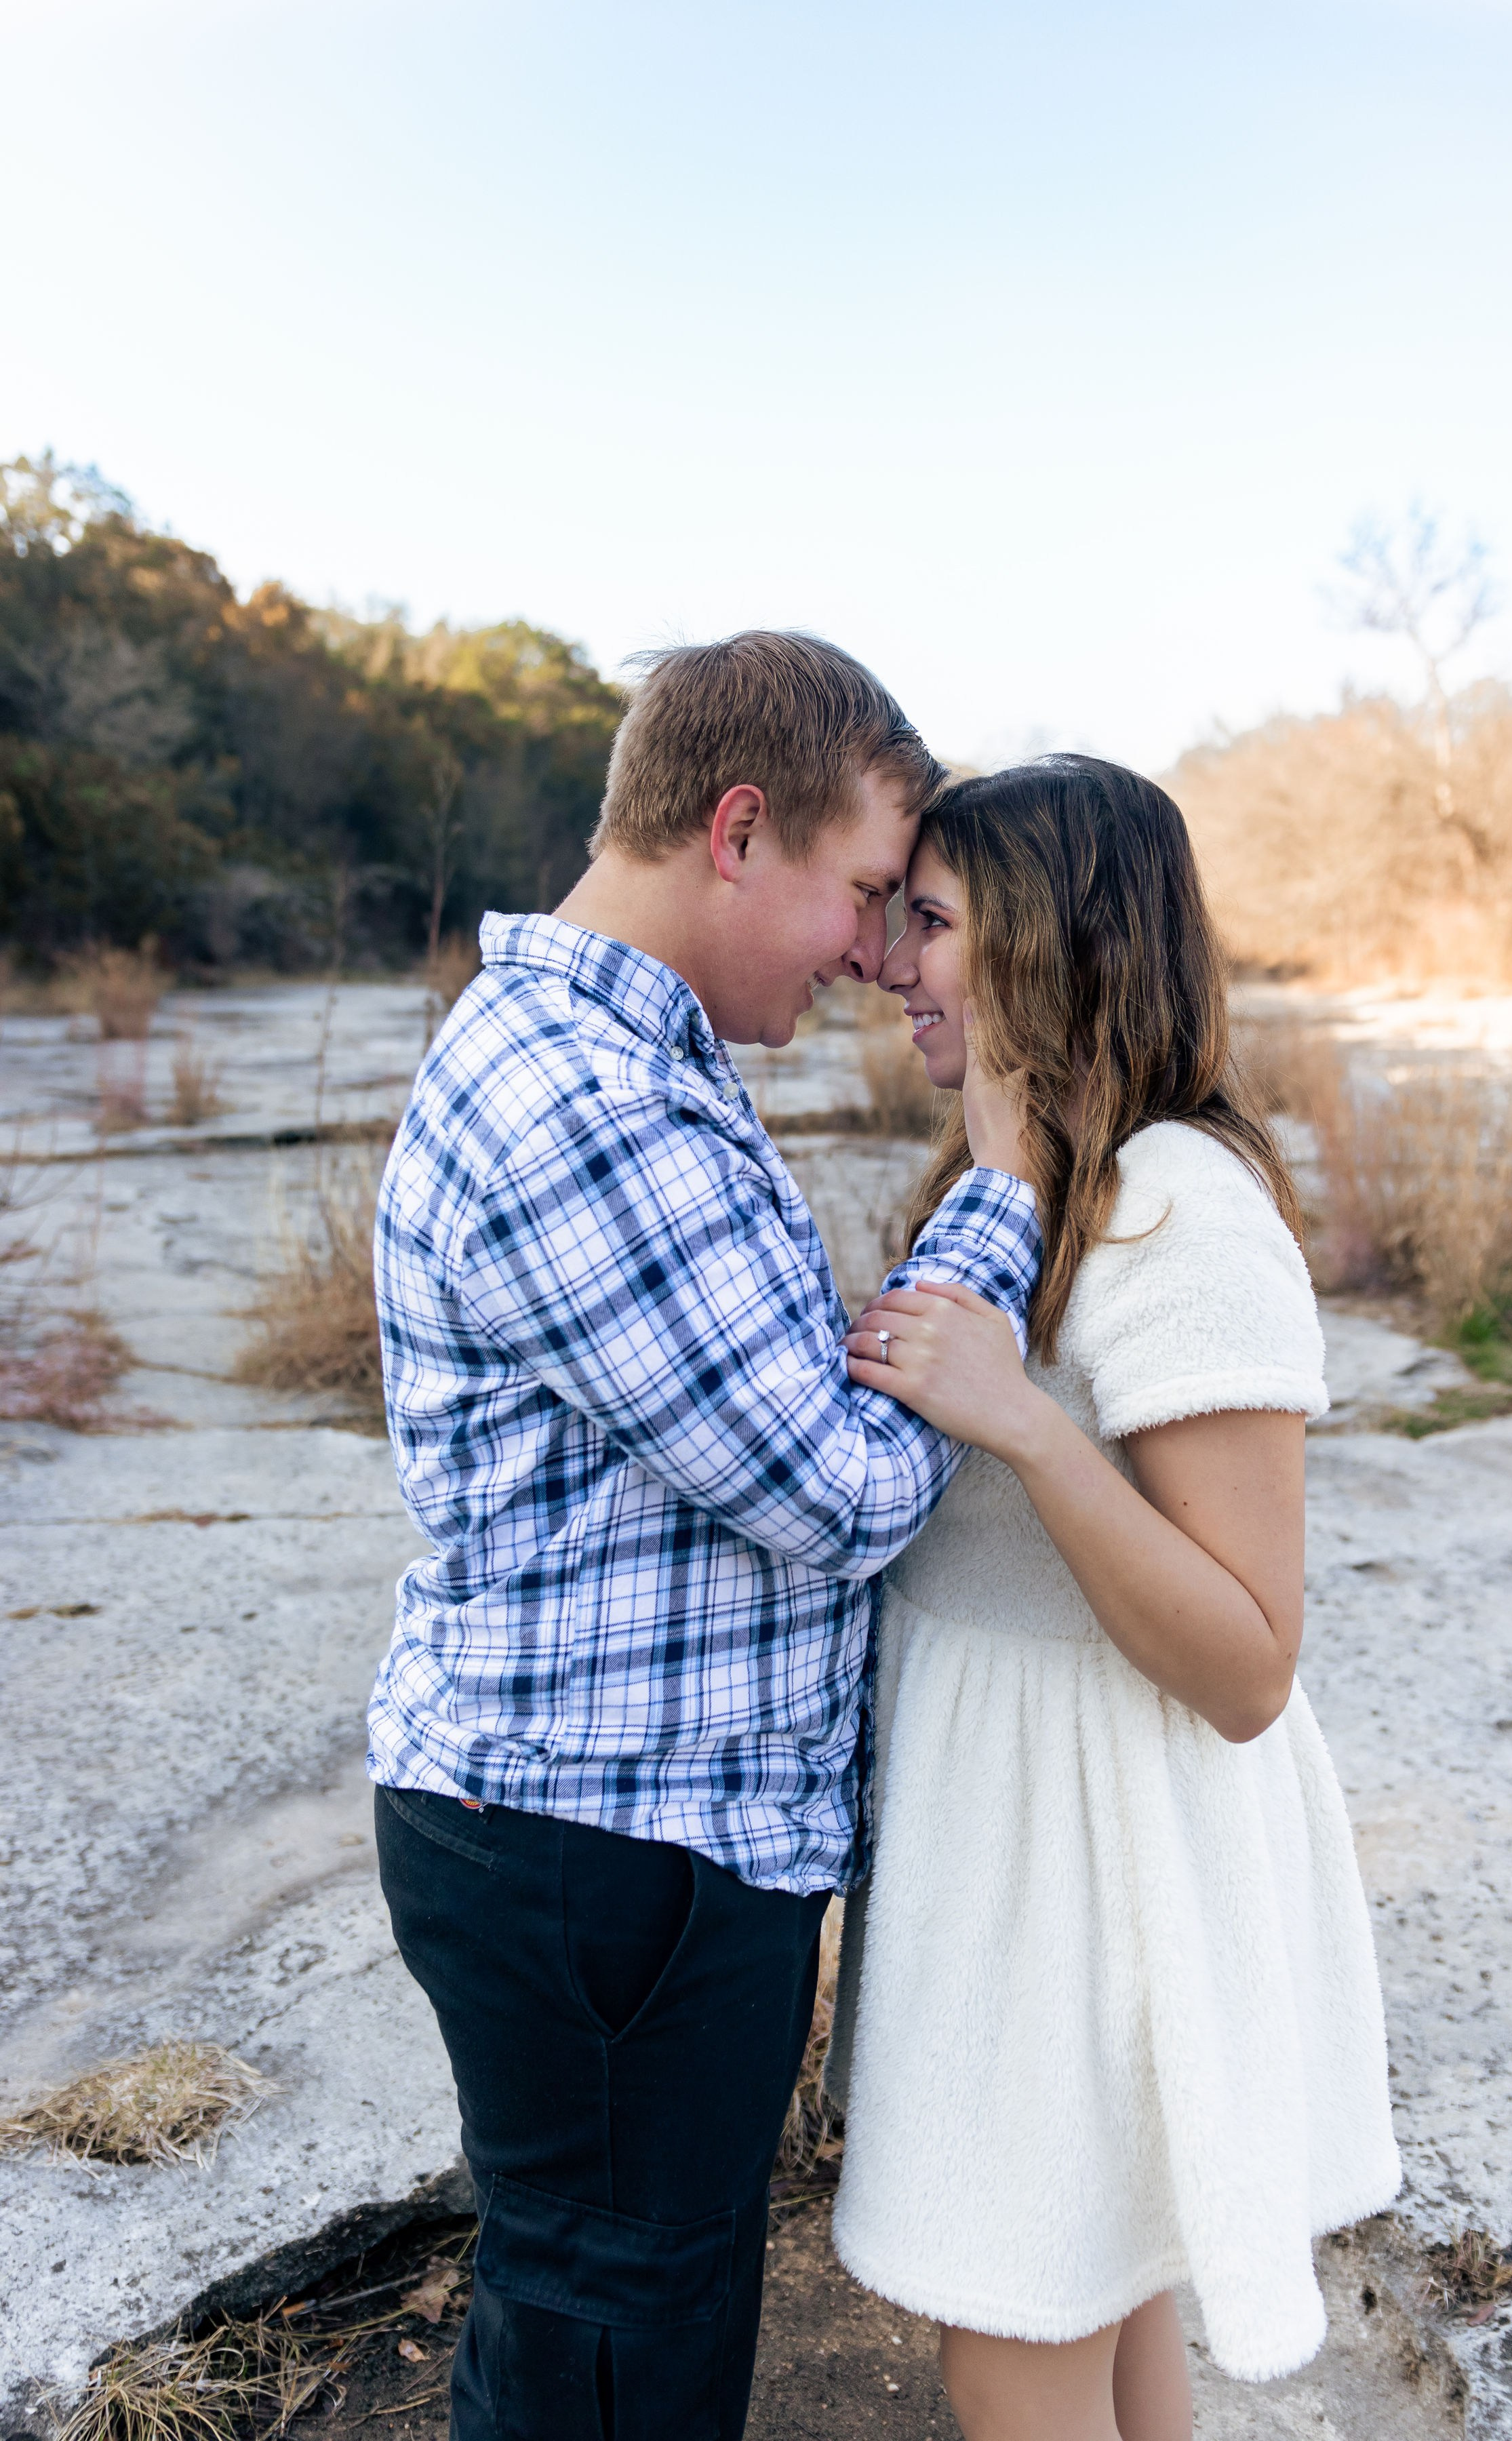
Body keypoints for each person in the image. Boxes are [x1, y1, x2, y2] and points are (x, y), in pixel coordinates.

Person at [367, 633, 1043, 2441]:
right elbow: (834, 1491)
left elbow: (771, 1423)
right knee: (615, 2340)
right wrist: (1008, 1203)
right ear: (739, 832)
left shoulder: (624, 1063)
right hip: (601, 1849)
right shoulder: (578, 1099)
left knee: (628, 2309)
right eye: (868, 893)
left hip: (633, 1841)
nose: (881, 954)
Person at [828, 756, 1399, 2441]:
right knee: (1092, 2300)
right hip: (1015, 1852)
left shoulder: (1178, 1208)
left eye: (928, 922)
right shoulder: (1026, 1186)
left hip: (1099, 1869)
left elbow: (1245, 1662)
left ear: (1043, 942)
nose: (886, 963)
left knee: (1011, 2339)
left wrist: (1014, 1419)